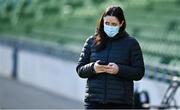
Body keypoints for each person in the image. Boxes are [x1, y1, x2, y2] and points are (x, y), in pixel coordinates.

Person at [76, 5, 145, 109]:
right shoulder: (91, 41)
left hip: (121, 103)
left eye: (114, 24)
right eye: (107, 23)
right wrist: (93, 68)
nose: (110, 27)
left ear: (121, 23)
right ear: (102, 22)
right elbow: (80, 70)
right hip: (94, 102)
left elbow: (139, 72)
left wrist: (119, 70)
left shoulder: (131, 43)